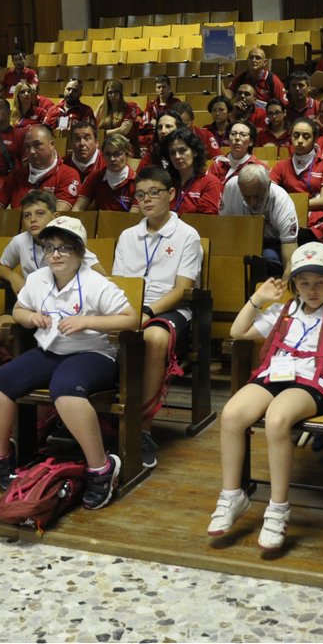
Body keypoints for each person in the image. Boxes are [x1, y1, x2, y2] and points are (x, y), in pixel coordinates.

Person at [212, 244, 323, 553]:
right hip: (275, 375)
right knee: (231, 414)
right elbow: (237, 330)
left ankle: (278, 507)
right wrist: (257, 300)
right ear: (294, 285)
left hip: (315, 383)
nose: (312, 290)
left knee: (277, 419)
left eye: (320, 282)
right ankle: (232, 495)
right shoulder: (284, 310)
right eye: (304, 283)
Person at [0, 216, 139, 508]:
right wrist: (30, 318)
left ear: (80, 252)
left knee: (66, 391)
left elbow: (132, 319)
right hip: (49, 351)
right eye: (50, 247)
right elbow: (19, 310)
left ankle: (101, 468)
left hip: (92, 353)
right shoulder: (38, 279)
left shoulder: (95, 282)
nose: (55, 255)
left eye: (65, 248)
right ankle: (4, 460)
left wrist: (88, 321)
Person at [112, 166, 204, 471]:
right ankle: (105, 415)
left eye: (154, 192)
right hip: (130, 306)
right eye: (140, 194)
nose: (146, 199)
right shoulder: (128, 236)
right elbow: (120, 282)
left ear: (171, 195)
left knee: (153, 337)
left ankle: (144, 428)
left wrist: (148, 312)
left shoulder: (187, 236)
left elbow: (182, 289)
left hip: (169, 310)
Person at [270, 117, 323, 243]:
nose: (300, 141)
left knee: (300, 237)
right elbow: (269, 196)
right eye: (296, 135)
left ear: (315, 139)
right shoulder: (281, 166)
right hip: (289, 216)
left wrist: (290, 205)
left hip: (319, 218)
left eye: (306, 136)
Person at [221, 165, 299, 277]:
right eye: (247, 197)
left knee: (268, 259)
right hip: (239, 240)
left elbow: (290, 264)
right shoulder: (232, 187)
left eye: (258, 196)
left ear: (268, 185)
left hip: (272, 242)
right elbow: (224, 230)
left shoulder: (282, 203)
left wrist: (282, 293)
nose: (252, 202)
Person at [0, 125, 79, 211]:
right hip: (15, 227)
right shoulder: (17, 175)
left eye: (37, 144)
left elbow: (58, 213)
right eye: (27, 146)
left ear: (52, 145)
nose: (32, 151)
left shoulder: (68, 174)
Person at [74, 134, 135, 212]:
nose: (112, 159)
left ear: (127, 155)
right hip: (99, 223)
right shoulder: (95, 177)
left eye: (117, 154)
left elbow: (134, 217)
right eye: (108, 154)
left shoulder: (136, 181)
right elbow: (78, 208)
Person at [210, 119, 265, 185]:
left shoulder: (259, 167)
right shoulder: (218, 164)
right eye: (233, 134)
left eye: (243, 134)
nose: (237, 138)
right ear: (228, 140)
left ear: (251, 142)